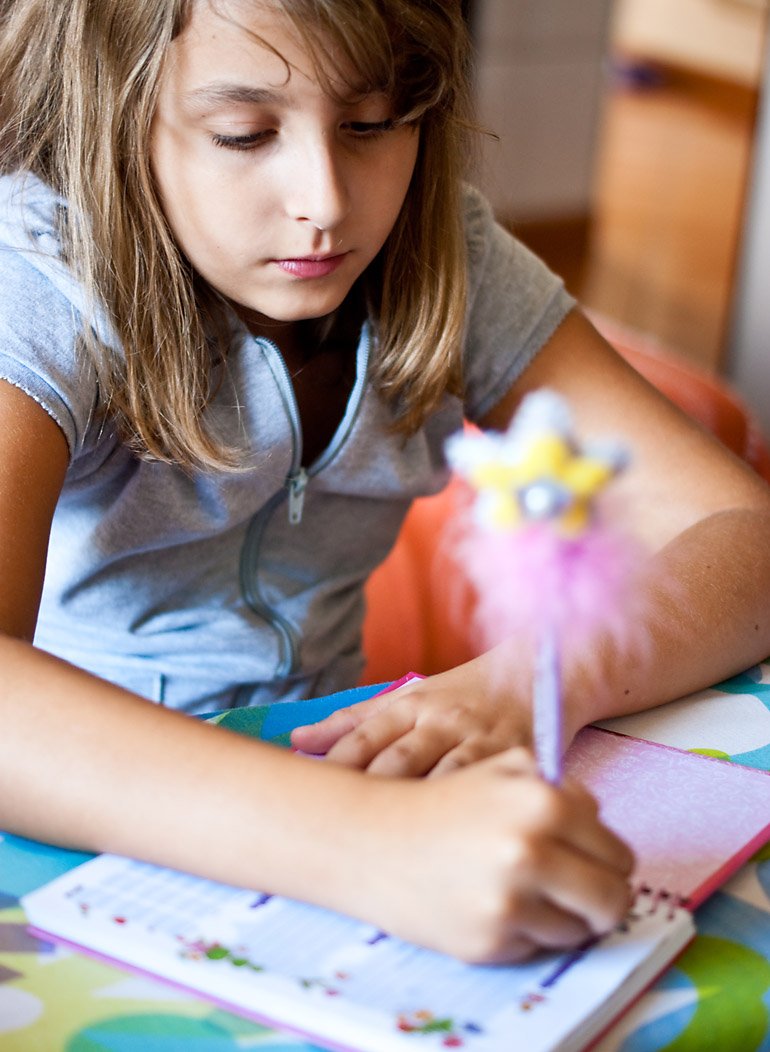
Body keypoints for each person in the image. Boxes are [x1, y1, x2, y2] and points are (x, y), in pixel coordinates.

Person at [0, 0, 768, 965]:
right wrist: (370, 843)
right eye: (244, 133)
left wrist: (525, 682)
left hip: (345, 791)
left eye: (371, 124)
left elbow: (741, 524)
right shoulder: (35, 280)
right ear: (112, 108)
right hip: (69, 830)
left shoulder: (448, 254)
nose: (325, 200)